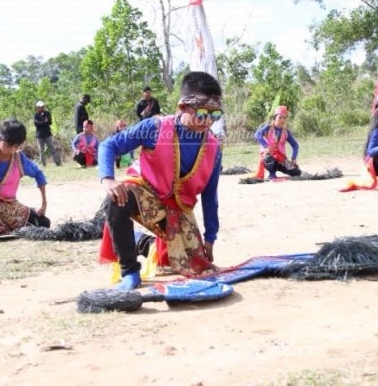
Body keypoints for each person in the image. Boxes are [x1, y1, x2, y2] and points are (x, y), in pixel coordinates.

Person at [98, 71, 224, 290]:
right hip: (144, 192)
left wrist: (210, 237)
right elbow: (109, 145)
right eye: (202, 113)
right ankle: (130, 271)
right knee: (115, 200)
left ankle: (143, 243)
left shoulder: (214, 148)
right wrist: (108, 179)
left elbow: (210, 196)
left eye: (215, 115)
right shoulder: (154, 127)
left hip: (179, 207)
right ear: (183, 107)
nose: (208, 121)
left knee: (192, 266)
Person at [254, 105, 302, 178]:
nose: (282, 120)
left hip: (281, 159)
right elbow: (257, 135)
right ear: (275, 118)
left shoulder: (286, 132)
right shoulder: (268, 127)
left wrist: (294, 159)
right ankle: (272, 174)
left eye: (284, 118)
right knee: (269, 158)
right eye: (280, 117)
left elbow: (295, 145)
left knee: (296, 172)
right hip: (268, 157)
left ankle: (283, 169)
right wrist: (266, 146)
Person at [33, 101, 62, 167]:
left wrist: (41, 122)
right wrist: (44, 122)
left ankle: (58, 163)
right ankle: (43, 164)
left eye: (42, 106)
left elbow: (50, 122)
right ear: (37, 107)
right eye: (40, 107)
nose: (42, 108)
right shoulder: (36, 115)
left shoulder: (47, 113)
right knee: (41, 151)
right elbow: (37, 124)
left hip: (47, 134)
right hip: (39, 135)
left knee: (52, 149)